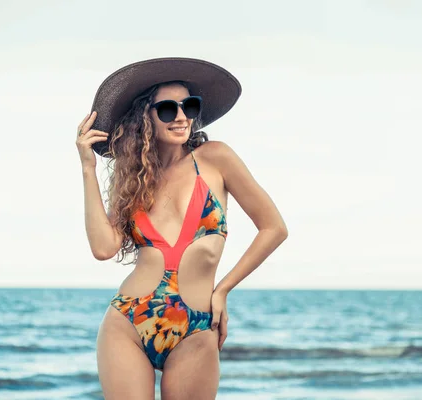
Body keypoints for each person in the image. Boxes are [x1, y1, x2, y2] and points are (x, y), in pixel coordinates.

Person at [75, 57, 288, 399]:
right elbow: (103, 248)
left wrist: (223, 290)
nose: (181, 117)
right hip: (128, 321)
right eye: (167, 109)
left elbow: (274, 228)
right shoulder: (133, 180)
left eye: (189, 106)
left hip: (197, 325)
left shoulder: (215, 158)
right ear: (145, 116)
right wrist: (88, 168)